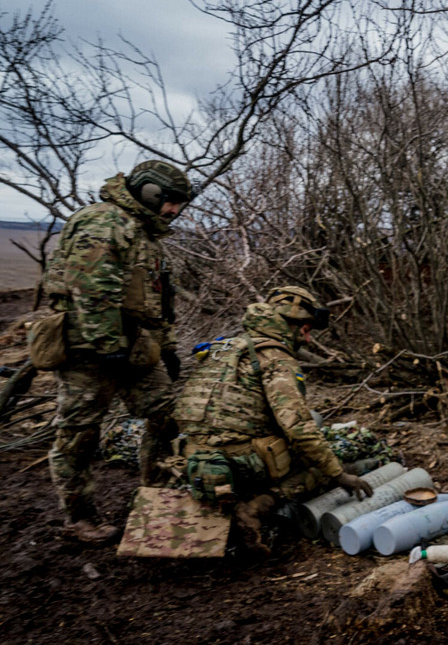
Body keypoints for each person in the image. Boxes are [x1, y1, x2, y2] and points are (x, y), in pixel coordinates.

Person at [41, 160, 195, 544]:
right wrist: (108, 347)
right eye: (170, 201)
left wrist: (169, 347)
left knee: (164, 416)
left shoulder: (144, 234)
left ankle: (157, 494)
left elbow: (159, 300)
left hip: (135, 347)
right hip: (87, 351)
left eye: (180, 204)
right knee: (78, 434)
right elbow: (91, 290)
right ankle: (80, 519)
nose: (174, 210)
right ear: (148, 191)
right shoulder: (103, 222)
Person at [174, 286, 373, 555]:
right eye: (307, 330)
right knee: (318, 460)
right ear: (295, 325)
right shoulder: (276, 358)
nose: (309, 341)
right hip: (238, 462)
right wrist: (338, 475)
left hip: (193, 458)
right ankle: (255, 507)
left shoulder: (223, 348)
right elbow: (298, 428)